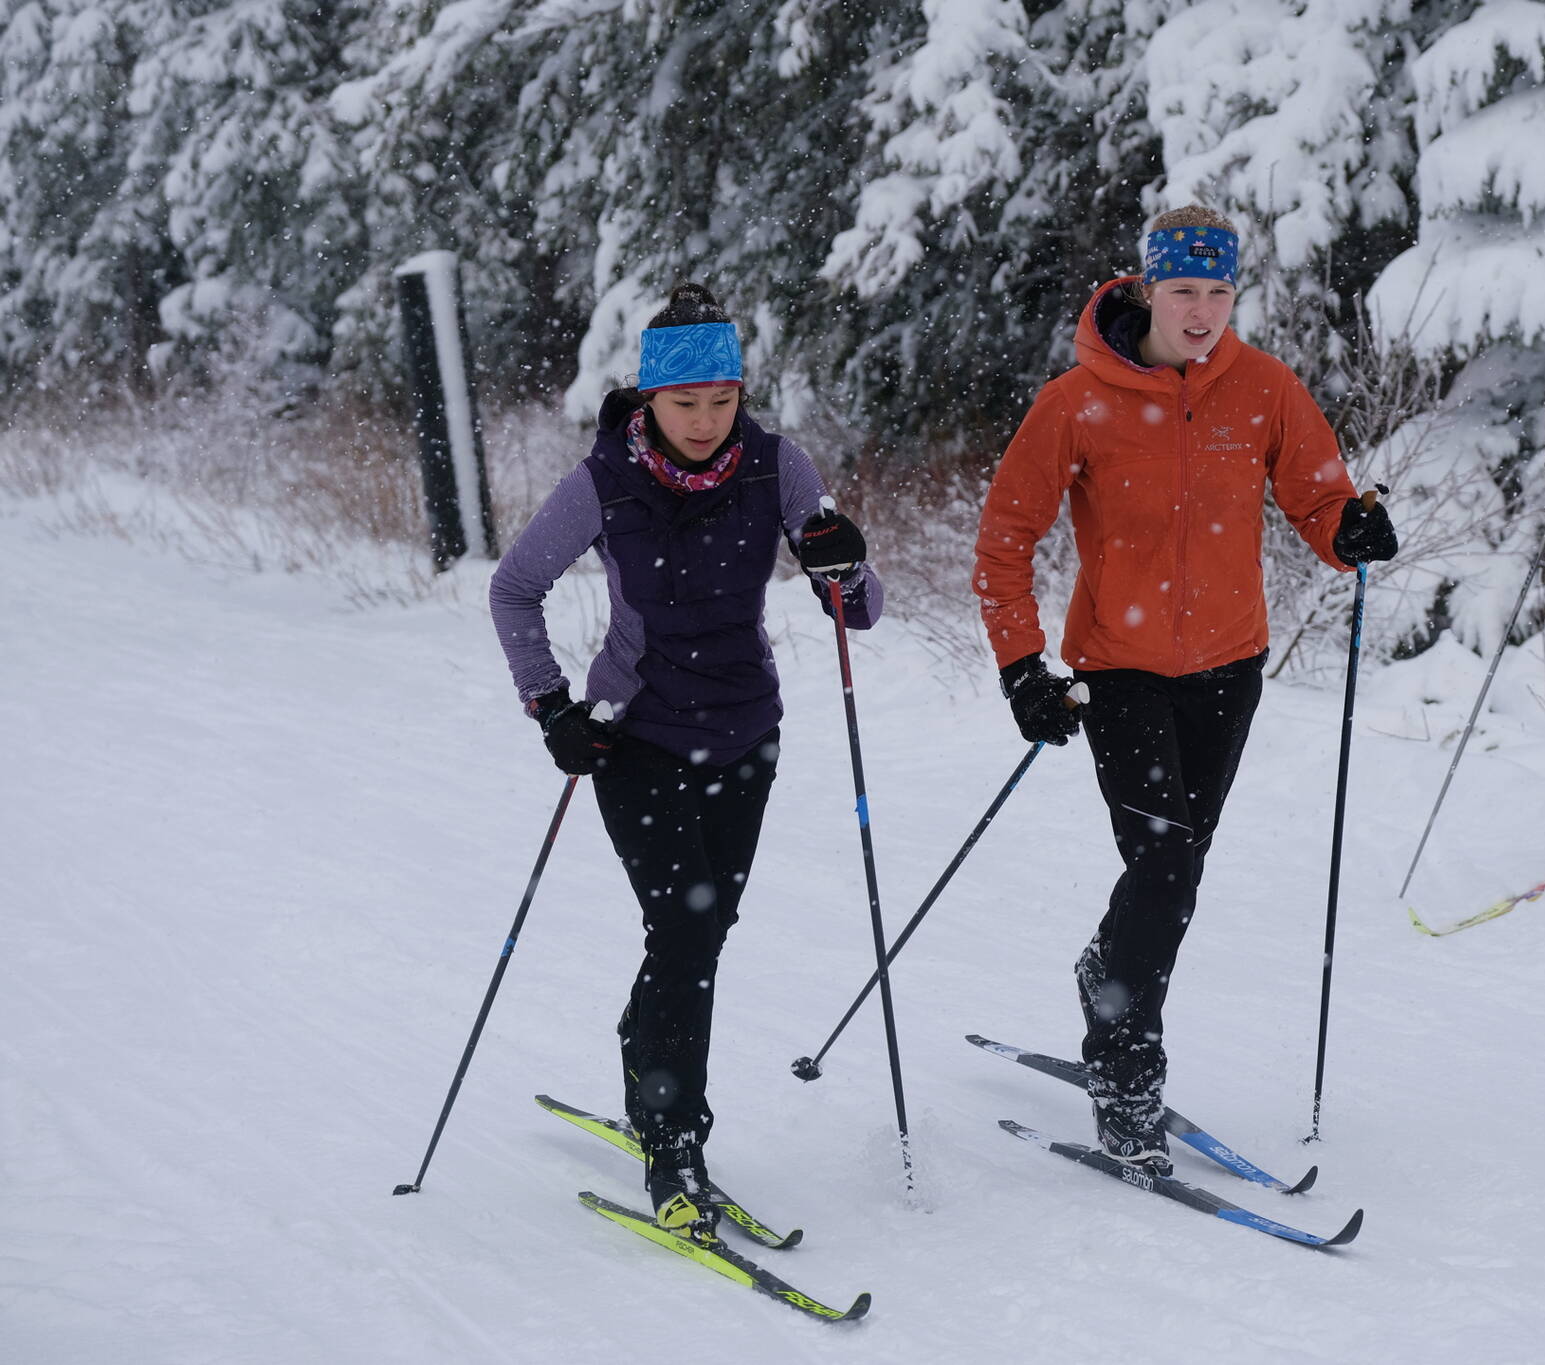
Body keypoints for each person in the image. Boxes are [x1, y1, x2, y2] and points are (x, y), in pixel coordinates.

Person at [971, 206, 1399, 1174]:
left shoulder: (1263, 389)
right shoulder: (1077, 400)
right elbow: (1004, 538)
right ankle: (1125, 1075)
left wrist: (1350, 534)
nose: (1201, 311)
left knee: (1177, 871)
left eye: (1217, 292)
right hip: (1117, 672)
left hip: (1227, 668)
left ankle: (1102, 971)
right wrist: (1020, 665)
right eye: (1183, 291)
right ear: (1144, 289)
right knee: (1162, 866)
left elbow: (1320, 496)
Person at [488, 283, 882, 1239]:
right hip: (637, 737)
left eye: (723, 399)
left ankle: (642, 1051)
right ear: (649, 399)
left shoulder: (777, 468)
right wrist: (551, 709)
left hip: (748, 734)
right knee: (688, 933)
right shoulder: (605, 481)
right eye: (685, 403)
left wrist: (845, 563)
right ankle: (675, 1141)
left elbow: (860, 610)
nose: (707, 422)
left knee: (701, 933)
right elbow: (514, 590)